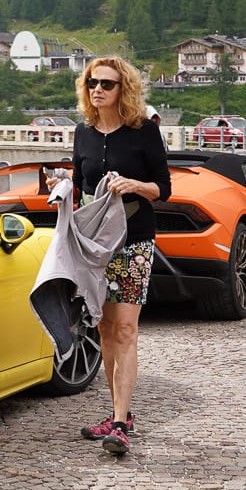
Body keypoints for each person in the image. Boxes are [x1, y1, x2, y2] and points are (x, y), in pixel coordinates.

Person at [70, 55, 172, 458]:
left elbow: (163, 188)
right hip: (96, 245)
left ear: (123, 89)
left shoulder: (144, 132)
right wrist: (62, 190)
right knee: (104, 329)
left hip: (135, 240)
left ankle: (118, 423)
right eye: (93, 82)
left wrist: (135, 185)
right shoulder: (83, 133)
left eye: (107, 84)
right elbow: (80, 187)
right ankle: (119, 413)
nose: (98, 89)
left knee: (126, 329)